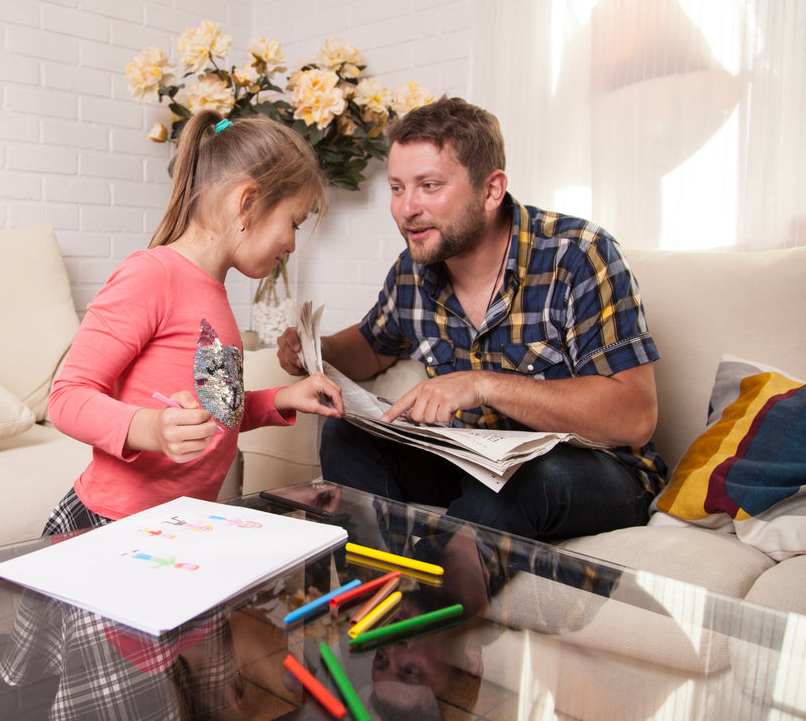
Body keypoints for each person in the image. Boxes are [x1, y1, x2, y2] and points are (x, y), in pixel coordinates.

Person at [276, 96, 666, 541]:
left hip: (590, 469)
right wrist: (312, 349)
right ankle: (369, 581)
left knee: (516, 482)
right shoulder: (414, 270)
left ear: (491, 190)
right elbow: (368, 348)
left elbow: (634, 416)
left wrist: (482, 384)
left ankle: (416, 600)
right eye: (397, 187)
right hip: (473, 458)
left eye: (429, 185)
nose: (406, 209)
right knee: (344, 436)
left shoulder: (578, 254)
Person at [44, 110, 344, 535]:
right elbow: (65, 396)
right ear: (248, 203)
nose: (293, 243)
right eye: (293, 223)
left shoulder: (214, 295)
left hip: (179, 527)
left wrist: (284, 398)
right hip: (112, 524)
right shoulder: (154, 274)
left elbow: (218, 409)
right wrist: (148, 427)